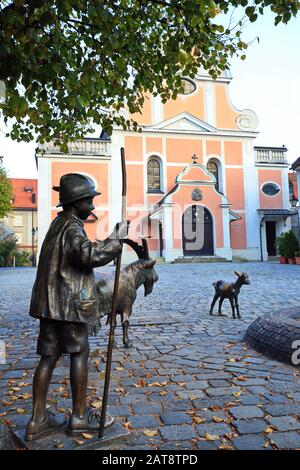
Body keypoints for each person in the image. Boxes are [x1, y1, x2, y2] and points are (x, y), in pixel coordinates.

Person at [25, 173, 129, 441]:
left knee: (48, 357)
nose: (92, 207)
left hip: (50, 307)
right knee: (79, 354)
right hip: (68, 307)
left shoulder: (57, 225)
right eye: (89, 201)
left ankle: (38, 421)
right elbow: (86, 255)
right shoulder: (72, 228)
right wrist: (115, 242)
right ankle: (80, 418)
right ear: (77, 201)